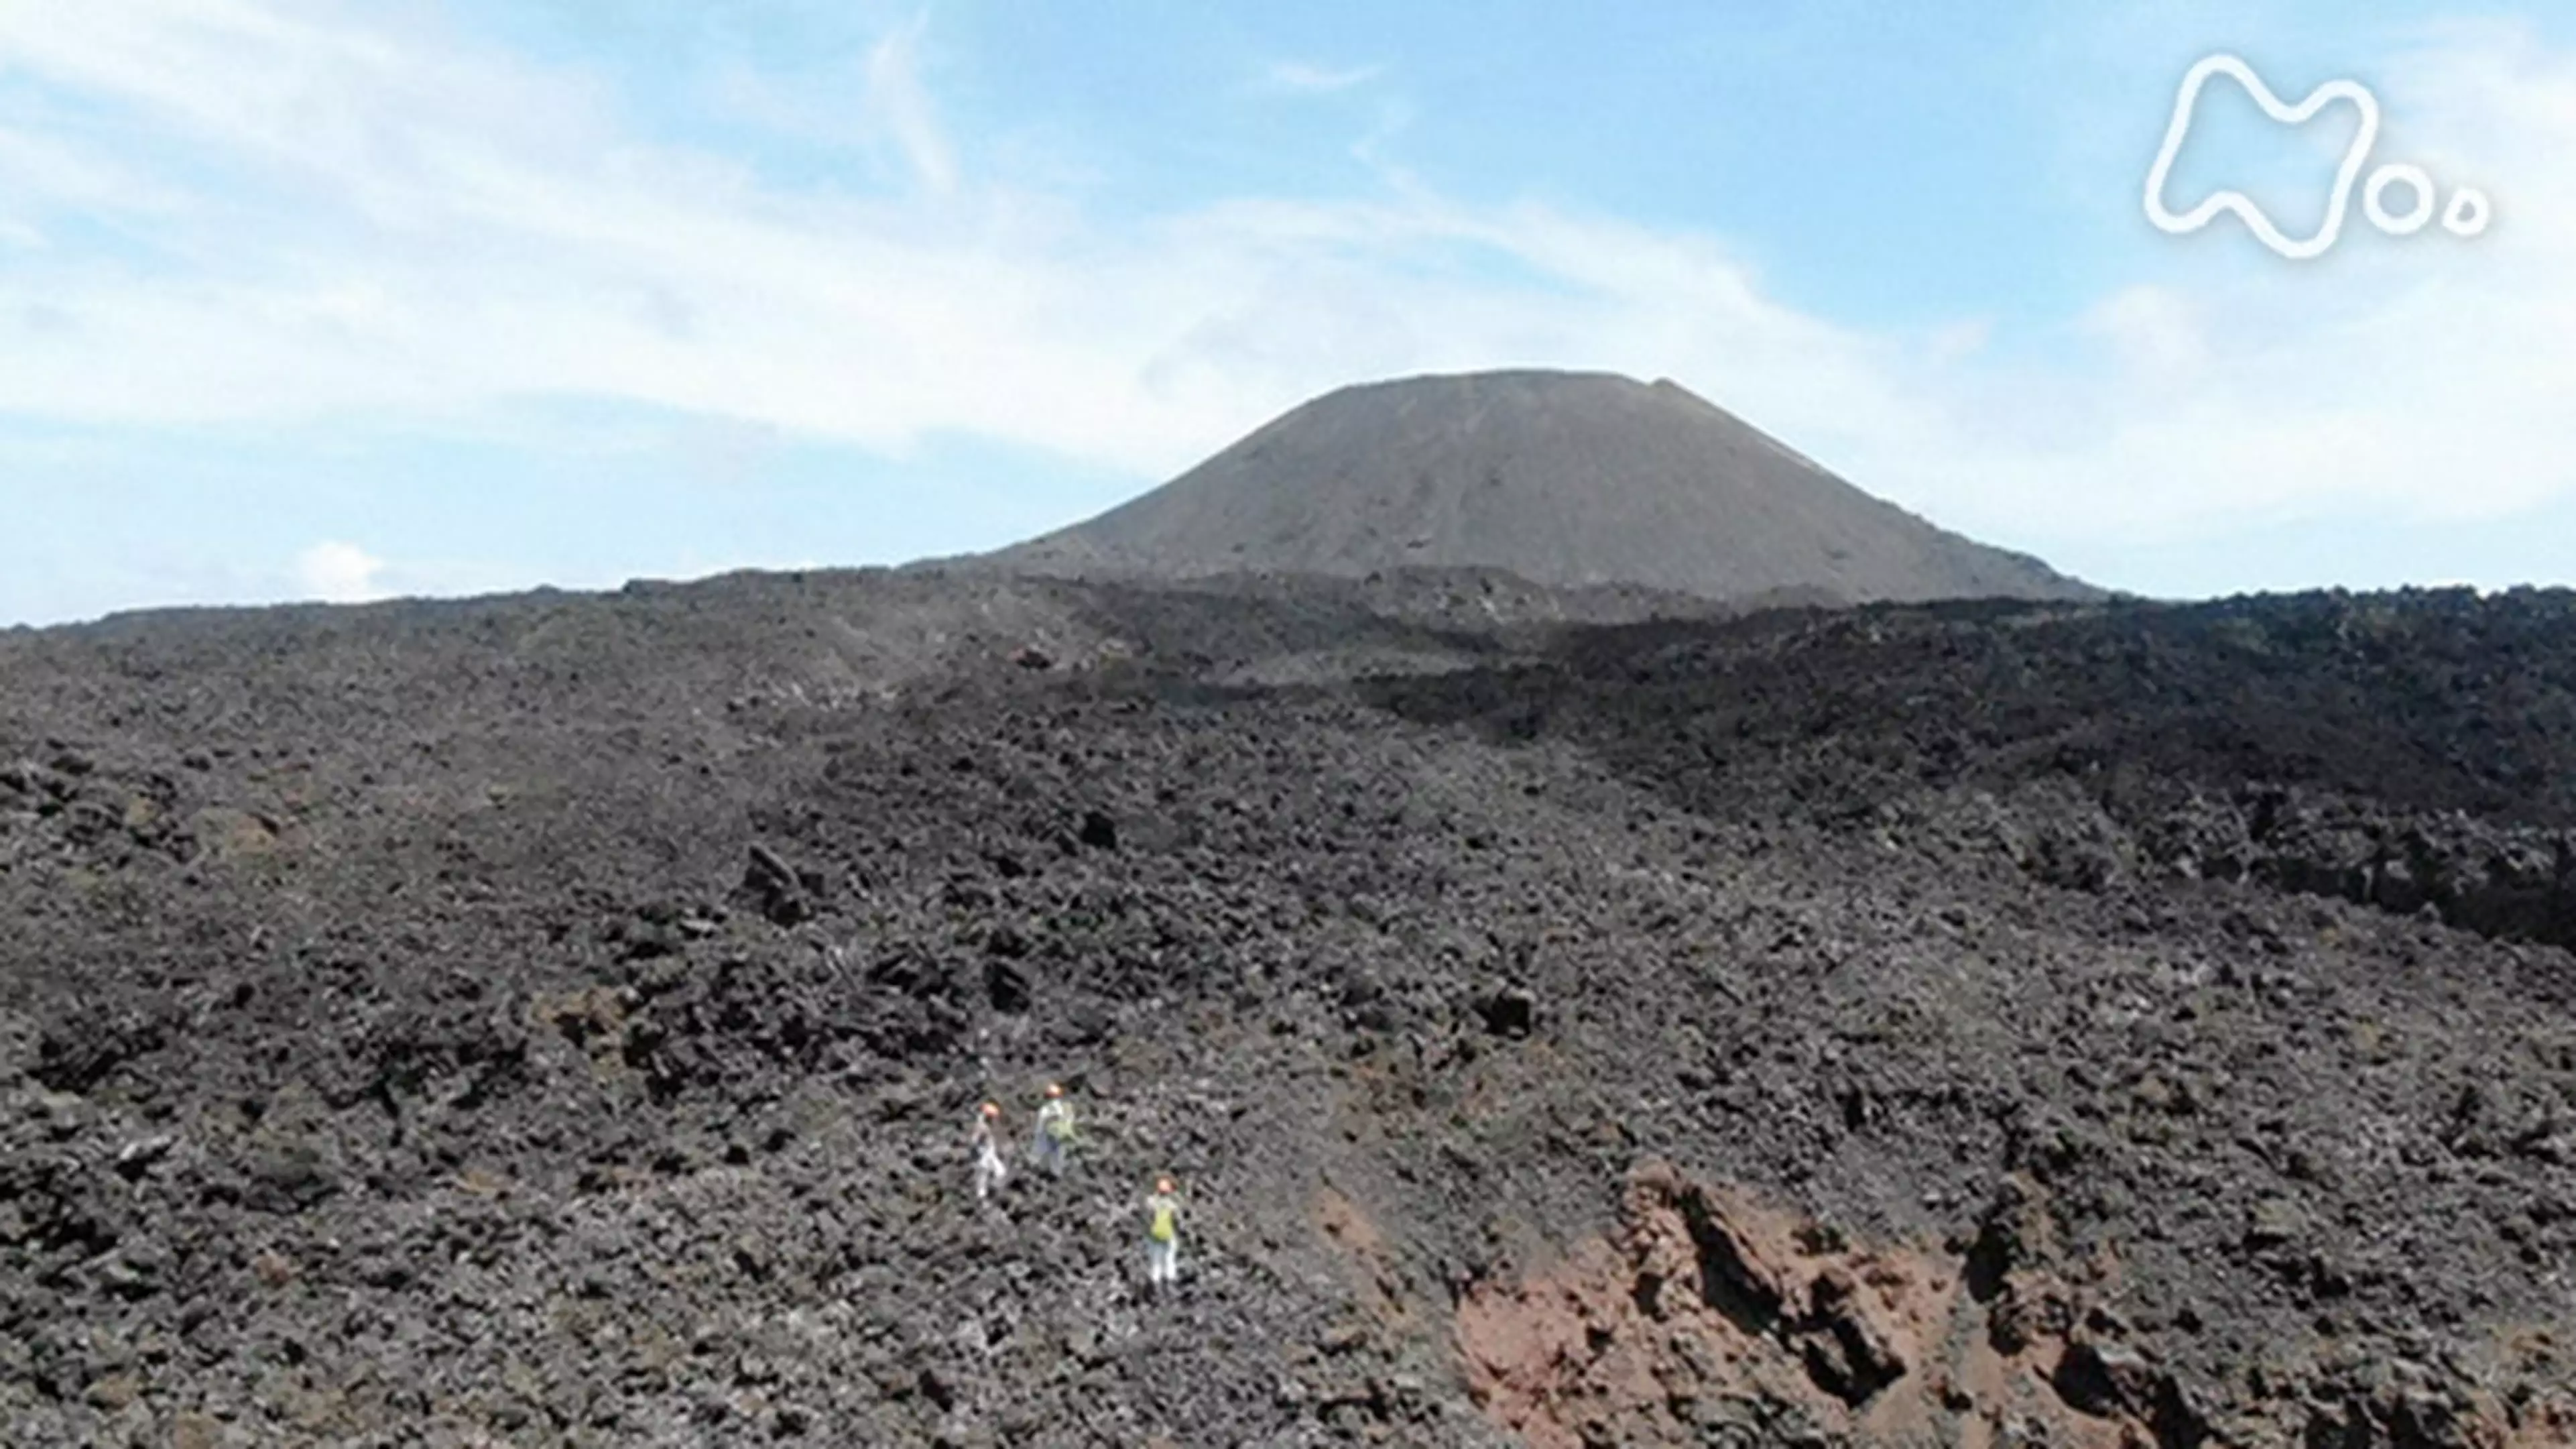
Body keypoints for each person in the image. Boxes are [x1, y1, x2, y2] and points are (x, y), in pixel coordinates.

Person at [1144, 1175, 1182, 1289]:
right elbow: (1178, 1220)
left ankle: (1156, 1284)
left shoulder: (1151, 1201)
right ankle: (1170, 1284)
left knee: (1156, 1260)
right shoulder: (1172, 1204)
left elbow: (1147, 1217)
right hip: (1168, 1235)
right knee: (1169, 1259)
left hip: (1154, 1235)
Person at [1033, 1082, 1077, 1177]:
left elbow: (1040, 1126)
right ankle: (1057, 1174)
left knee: (1041, 1152)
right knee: (1058, 1155)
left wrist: (1038, 1134)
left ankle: (1042, 1171)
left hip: (1047, 1134)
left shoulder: (1045, 1109)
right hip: (1061, 1135)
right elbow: (1070, 1120)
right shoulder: (1065, 1108)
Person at [972, 1102, 1008, 1202]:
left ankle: (993, 1192)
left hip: (989, 1154)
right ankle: (983, 1199)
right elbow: (975, 1141)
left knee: (1000, 1172)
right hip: (984, 1155)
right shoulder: (982, 1127)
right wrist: (980, 1148)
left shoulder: (983, 1125)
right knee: (983, 1177)